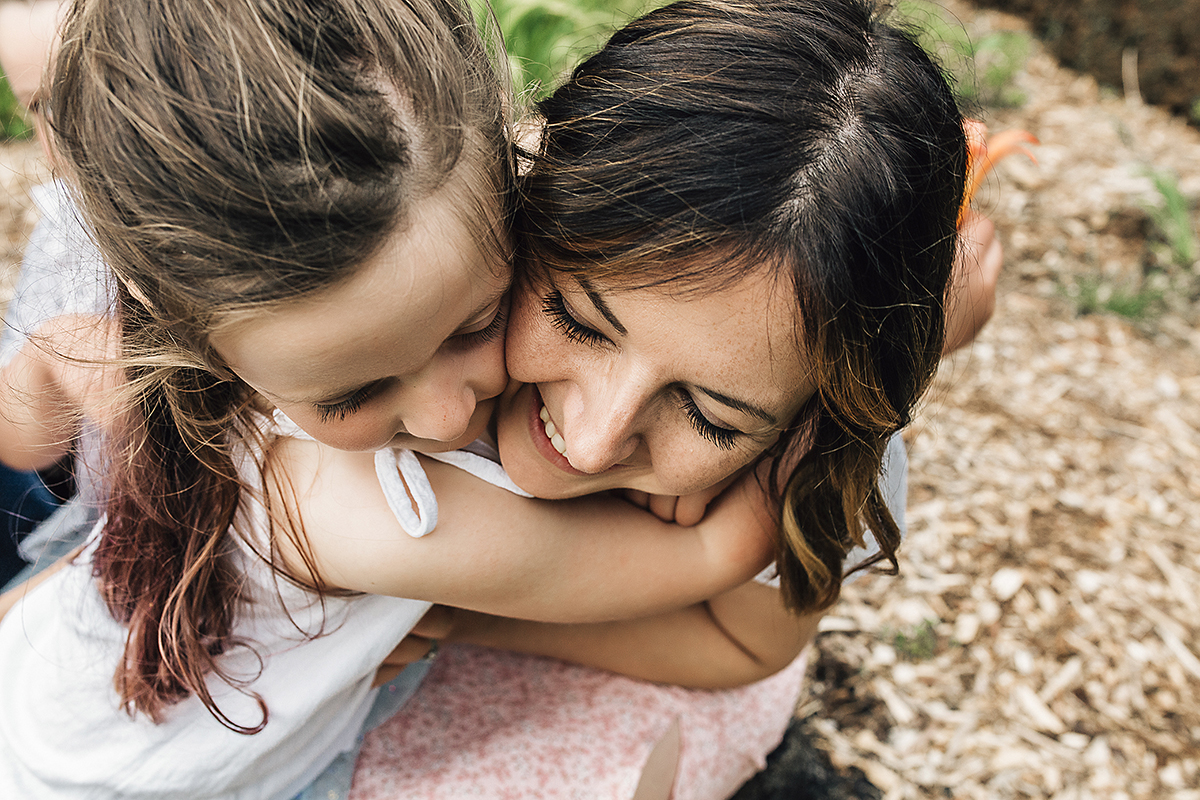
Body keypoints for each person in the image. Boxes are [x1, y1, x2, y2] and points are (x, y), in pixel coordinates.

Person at [0, 1, 785, 797]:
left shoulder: (243, 318)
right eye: (355, 394)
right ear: (189, 330)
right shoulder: (373, 517)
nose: (447, 415)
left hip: (46, 676)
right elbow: (716, 555)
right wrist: (774, 413)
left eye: (475, 325)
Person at [333, 0, 973, 797]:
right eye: (577, 319)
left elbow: (745, 647)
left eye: (710, 415)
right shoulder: (404, 256)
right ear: (524, 206)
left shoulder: (812, 456)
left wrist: (472, 615)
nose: (594, 439)